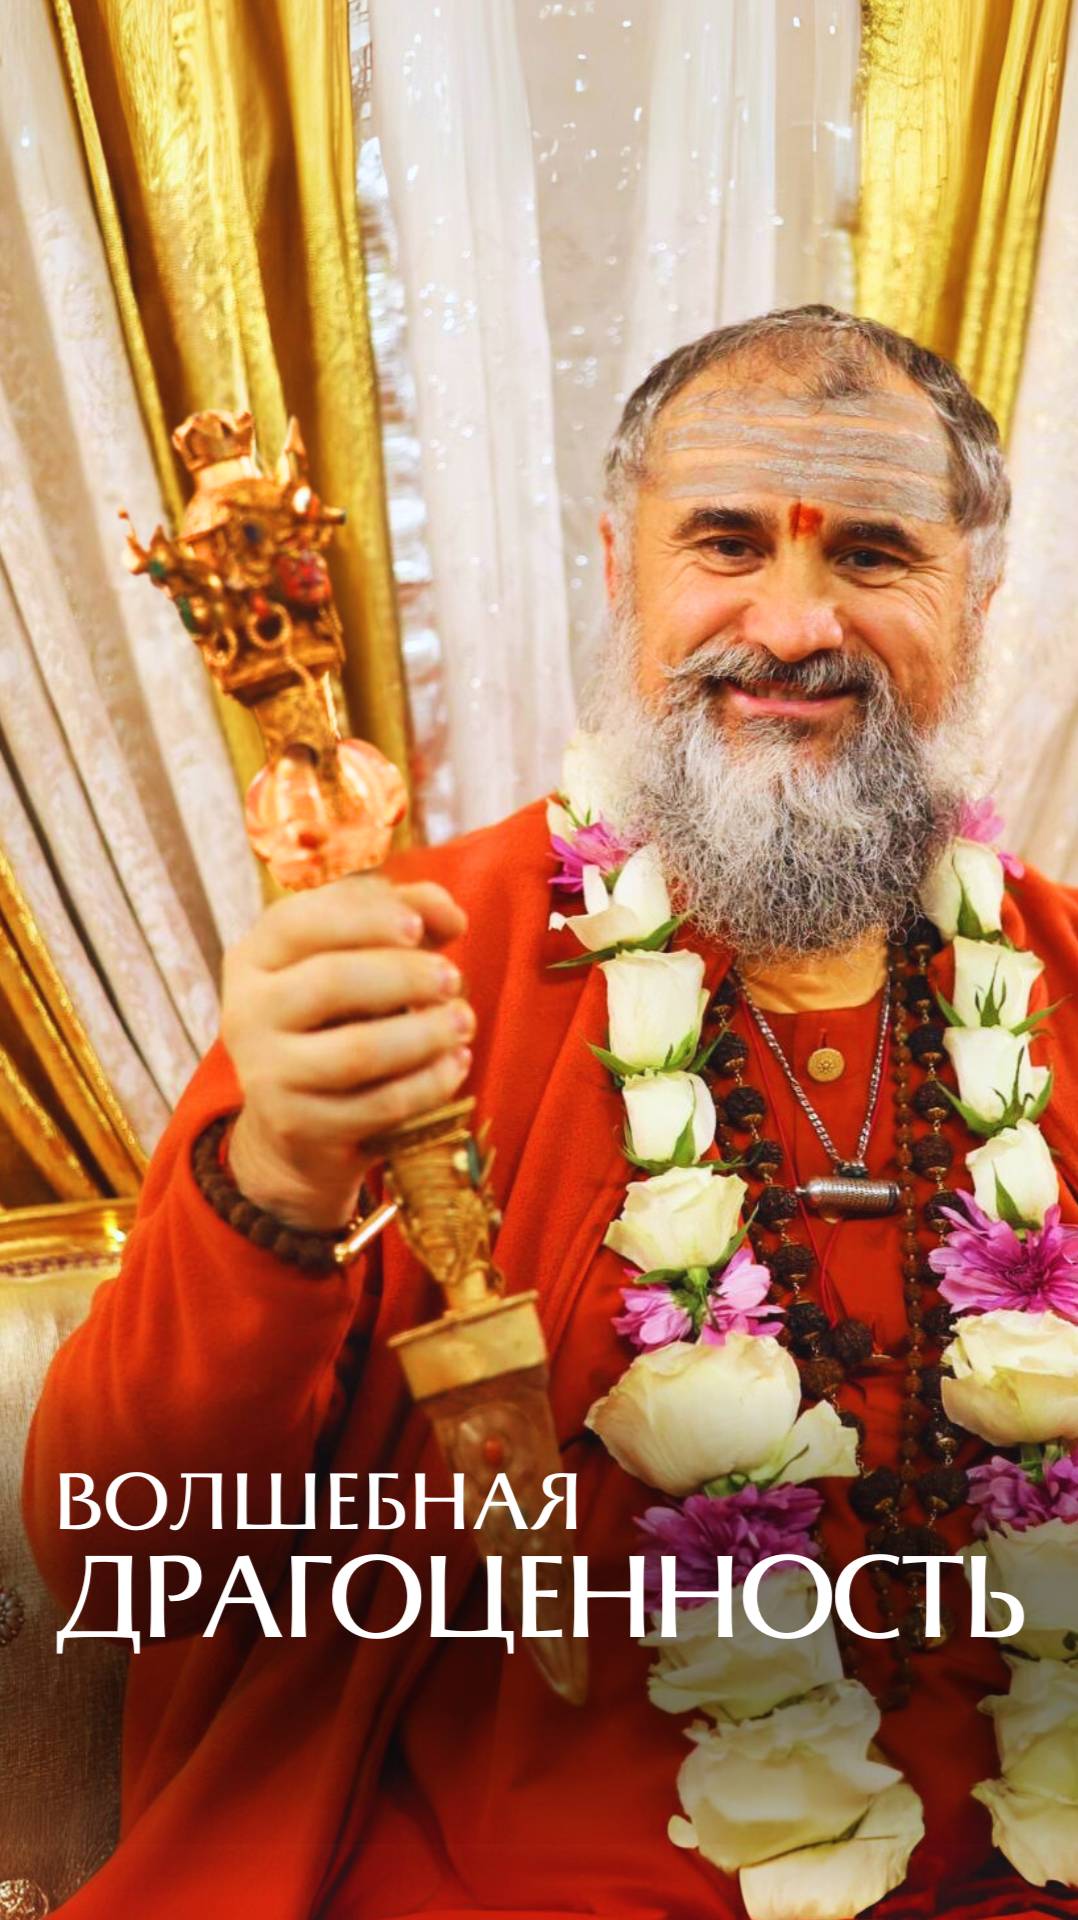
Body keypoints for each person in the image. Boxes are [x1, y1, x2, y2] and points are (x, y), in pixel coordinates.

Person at [24, 306, 1078, 1919]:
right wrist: (280, 1176)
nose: (793, 624)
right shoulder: (407, 976)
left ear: (977, 599)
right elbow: (118, 1550)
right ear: (617, 568)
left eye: (874, 555)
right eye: (725, 541)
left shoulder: (1055, 980)